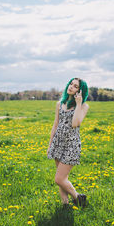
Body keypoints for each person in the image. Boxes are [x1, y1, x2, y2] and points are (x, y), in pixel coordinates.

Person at [47, 77, 89, 207]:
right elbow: (55, 124)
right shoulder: (60, 103)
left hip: (71, 145)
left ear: (80, 91)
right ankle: (65, 205)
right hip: (58, 142)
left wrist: (78, 103)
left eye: (76, 86)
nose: (71, 87)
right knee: (61, 179)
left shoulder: (83, 106)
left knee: (59, 179)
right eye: (71, 84)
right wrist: (50, 145)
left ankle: (78, 197)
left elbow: (75, 123)